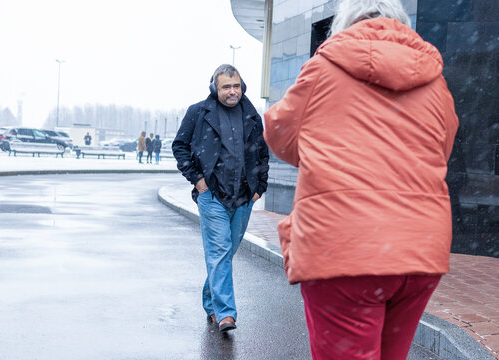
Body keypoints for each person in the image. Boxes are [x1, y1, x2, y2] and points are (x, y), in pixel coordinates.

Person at [263, 0, 459, 359]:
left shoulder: (324, 67)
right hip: (418, 250)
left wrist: (327, 153)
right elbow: (440, 150)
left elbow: (280, 134)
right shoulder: (436, 81)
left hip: (345, 247)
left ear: (346, 22)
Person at [172, 64, 269, 332]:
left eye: (236, 86)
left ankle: (210, 301)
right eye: (226, 86)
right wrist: (198, 181)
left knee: (225, 254)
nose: (232, 91)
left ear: (242, 86)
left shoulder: (251, 114)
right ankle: (225, 314)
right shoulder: (199, 113)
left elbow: (262, 152)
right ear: (215, 88)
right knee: (220, 252)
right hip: (212, 195)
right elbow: (179, 146)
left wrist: (260, 186)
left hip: (244, 197)